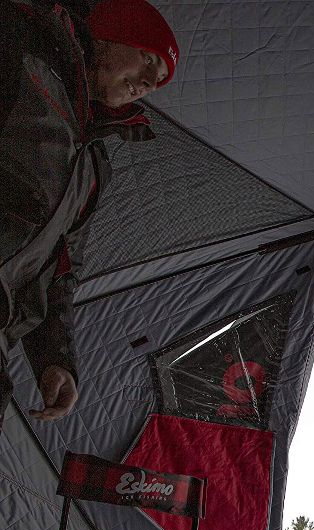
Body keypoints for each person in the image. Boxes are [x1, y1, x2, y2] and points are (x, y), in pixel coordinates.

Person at [0, 0, 179, 431]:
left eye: (158, 82)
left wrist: (55, 358)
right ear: (111, 32)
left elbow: (60, 270)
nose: (149, 83)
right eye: (149, 59)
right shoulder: (21, 45)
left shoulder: (93, 168)